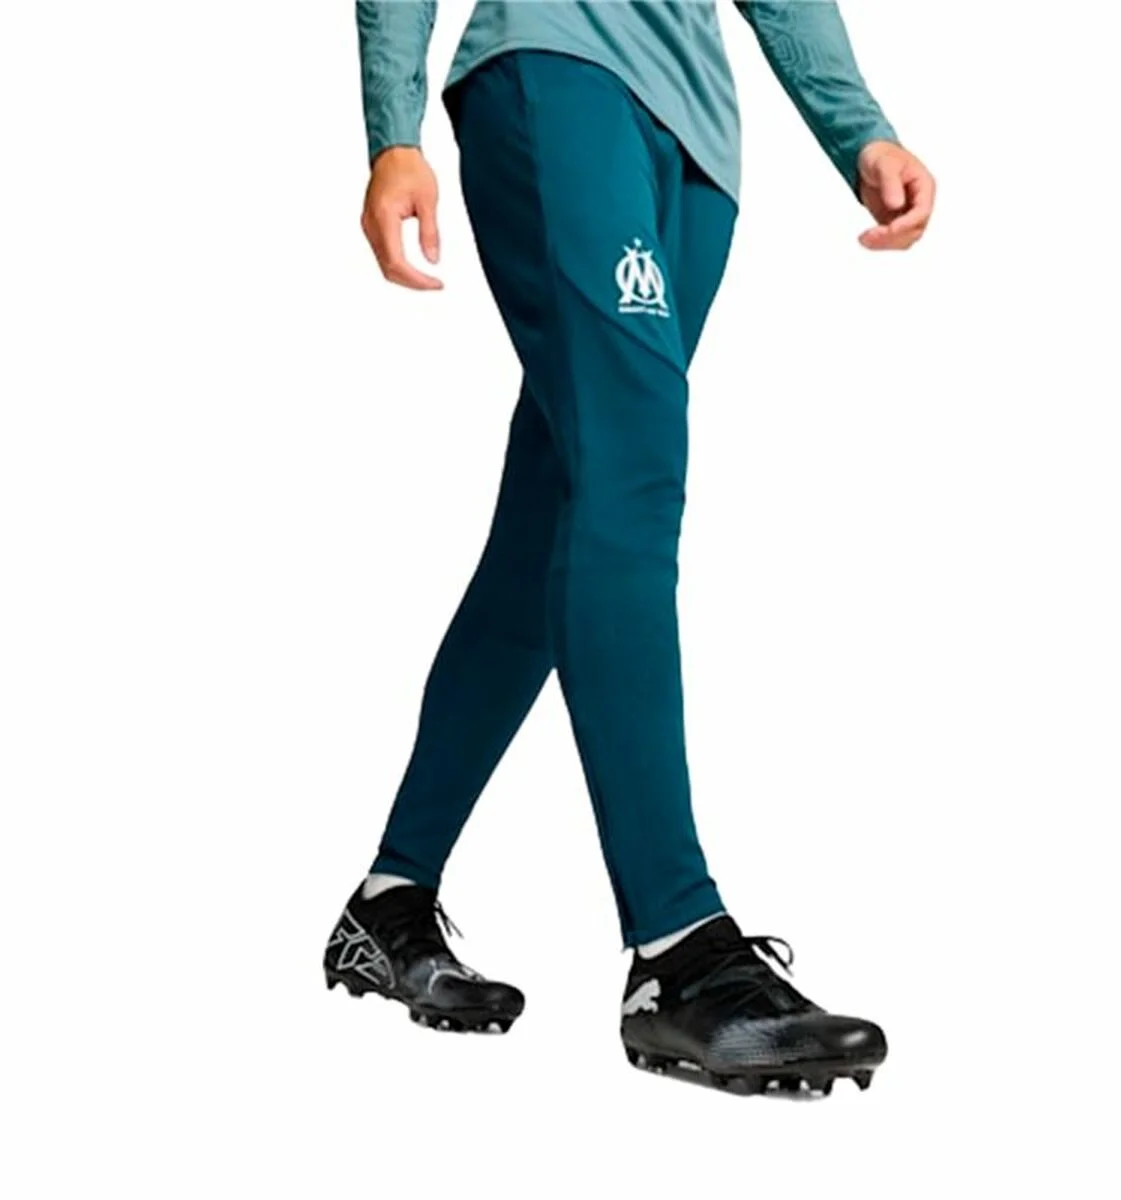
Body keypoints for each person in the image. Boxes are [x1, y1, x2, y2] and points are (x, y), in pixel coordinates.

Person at [324, 0, 935, 1097]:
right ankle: (677, 951)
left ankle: (389, 899)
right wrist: (393, 132)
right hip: (558, 68)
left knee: (558, 515)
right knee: (632, 482)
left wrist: (859, 128)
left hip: (700, 145)